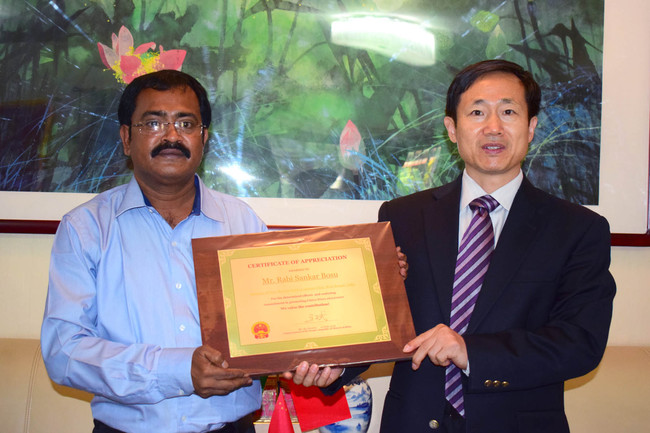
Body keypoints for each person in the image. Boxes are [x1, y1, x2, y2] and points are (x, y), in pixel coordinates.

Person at [40, 70, 340, 433]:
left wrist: (357, 293)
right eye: (153, 122)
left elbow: (282, 322)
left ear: (204, 138)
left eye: (185, 123)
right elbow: (64, 351)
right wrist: (179, 369)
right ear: (125, 138)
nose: (171, 136)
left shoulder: (242, 222)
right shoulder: (86, 228)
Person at [327, 59, 616, 432]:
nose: (493, 127)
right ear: (452, 128)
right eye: (477, 112)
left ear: (531, 128)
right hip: (412, 421)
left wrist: (470, 351)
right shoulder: (403, 216)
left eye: (508, 111)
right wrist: (331, 363)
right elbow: (382, 322)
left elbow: (580, 343)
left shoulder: (577, 229)